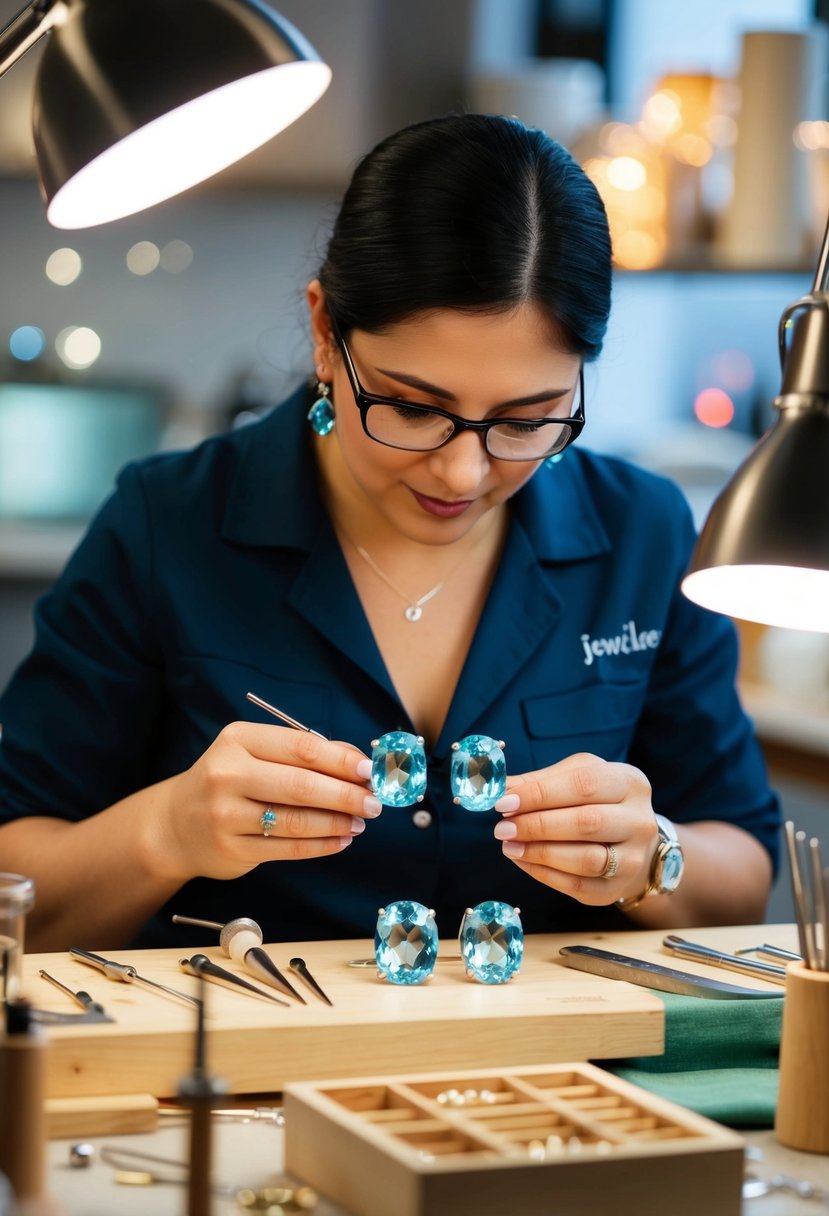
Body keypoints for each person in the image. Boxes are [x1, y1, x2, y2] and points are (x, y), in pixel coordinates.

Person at [0, 114, 778, 953]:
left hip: (560, 1064)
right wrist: (166, 832)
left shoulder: (642, 532)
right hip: (240, 1064)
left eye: (525, 420)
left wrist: (651, 856)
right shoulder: (169, 524)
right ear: (325, 334)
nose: (462, 475)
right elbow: (17, 880)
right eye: (411, 408)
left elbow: (742, 871)